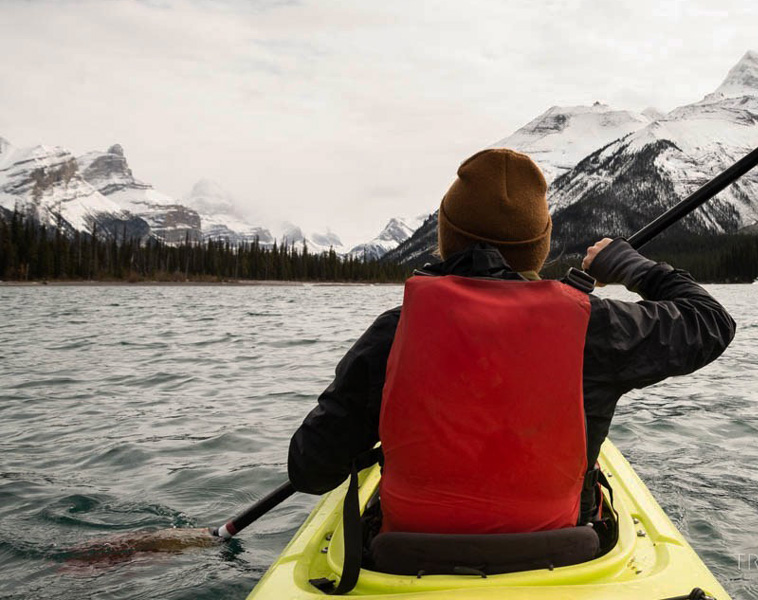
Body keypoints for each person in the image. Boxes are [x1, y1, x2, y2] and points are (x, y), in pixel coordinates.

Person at [288, 148, 735, 532]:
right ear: (538, 248)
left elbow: (310, 470)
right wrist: (632, 266)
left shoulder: (394, 332)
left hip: (407, 550)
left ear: (446, 241)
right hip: (565, 545)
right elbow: (712, 322)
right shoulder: (592, 326)